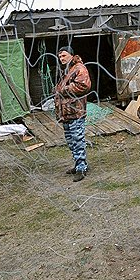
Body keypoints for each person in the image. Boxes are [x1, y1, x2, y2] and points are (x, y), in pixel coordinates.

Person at [54, 45, 92, 182]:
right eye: (59, 56)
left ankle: (82, 168)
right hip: (66, 113)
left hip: (76, 111)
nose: (61, 58)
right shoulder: (67, 70)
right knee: (71, 141)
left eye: (64, 55)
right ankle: (78, 164)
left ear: (71, 55)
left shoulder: (79, 68)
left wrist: (63, 90)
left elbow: (84, 86)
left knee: (77, 139)